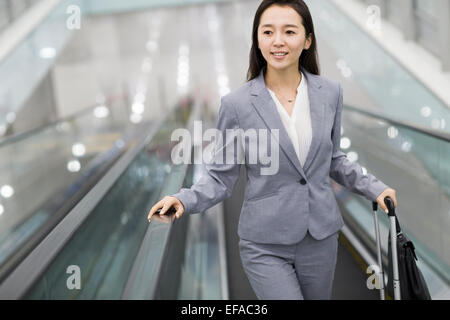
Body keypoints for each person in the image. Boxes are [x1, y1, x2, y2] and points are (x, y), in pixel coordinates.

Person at [148, 0, 397, 300]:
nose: (277, 41)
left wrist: (375, 188)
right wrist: (183, 198)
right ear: (257, 40)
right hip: (264, 245)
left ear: (307, 40)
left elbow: (334, 160)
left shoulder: (330, 93)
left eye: (289, 31)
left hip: (320, 237)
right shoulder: (237, 105)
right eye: (268, 32)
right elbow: (220, 177)